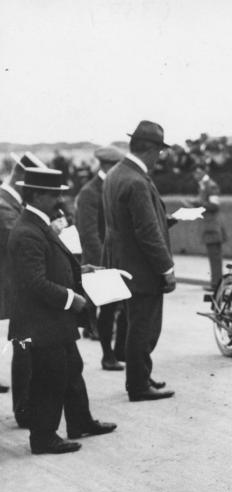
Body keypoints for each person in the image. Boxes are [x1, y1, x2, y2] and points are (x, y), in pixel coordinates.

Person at [8, 167, 116, 454]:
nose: (58, 200)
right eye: (53, 194)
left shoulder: (37, 225)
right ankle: (43, 438)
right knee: (50, 377)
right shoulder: (28, 231)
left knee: (71, 368)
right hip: (40, 322)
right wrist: (72, 299)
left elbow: (51, 267)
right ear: (37, 195)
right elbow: (35, 282)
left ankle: (80, 421)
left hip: (52, 319)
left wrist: (81, 272)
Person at [102, 120, 177, 402]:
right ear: (153, 150)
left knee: (136, 323)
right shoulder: (136, 181)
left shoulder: (115, 175)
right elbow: (146, 232)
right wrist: (166, 267)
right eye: (160, 151)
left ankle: (141, 375)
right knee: (144, 327)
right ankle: (138, 384)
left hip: (123, 263)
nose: (160, 158)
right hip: (142, 269)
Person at [0, 152, 44, 426]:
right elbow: (21, 241)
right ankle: (24, 408)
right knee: (24, 346)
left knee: (26, 345)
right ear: (21, 182)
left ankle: (27, 406)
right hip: (13, 287)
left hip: (16, 285)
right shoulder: (4, 206)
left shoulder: (9, 204)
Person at [75, 146, 128, 371]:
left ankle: (119, 352)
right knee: (107, 310)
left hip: (119, 258)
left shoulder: (115, 186)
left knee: (123, 308)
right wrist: (101, 266)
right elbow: (88, 233)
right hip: (102, 261)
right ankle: (108, 356)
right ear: (108, 165)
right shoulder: (90, 192)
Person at [187, 163, 226, 291]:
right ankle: (216, 283)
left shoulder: (210, 185)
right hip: (209, 225)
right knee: (213, 256)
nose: (195, 175)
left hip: (213, 226)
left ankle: (216, 284)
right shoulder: (204, 186)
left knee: (215, 256)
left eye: (197, 172)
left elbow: (215, 205)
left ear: (204, 171)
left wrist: (198, 203)